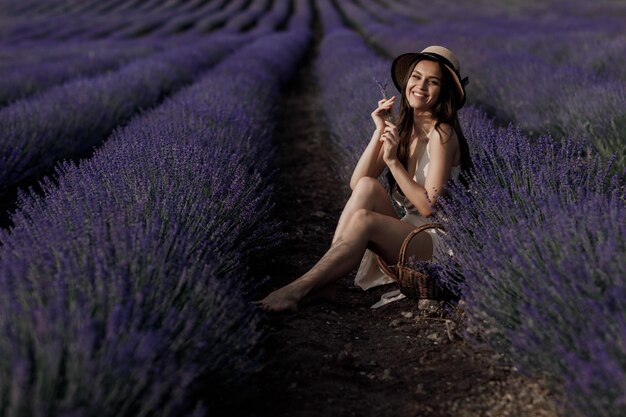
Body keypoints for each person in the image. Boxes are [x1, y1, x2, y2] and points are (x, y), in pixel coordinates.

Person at [256, 45, 470, 312]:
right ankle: (326, 282)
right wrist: (379, 131)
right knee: (369, 187)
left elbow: (427, 207)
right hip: (407, 230)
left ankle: (297, 290)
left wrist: (392, 161)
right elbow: (358, 182)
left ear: (445, 91)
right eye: (416, 76)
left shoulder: (442, 134)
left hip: (435, 241)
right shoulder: (404, 130)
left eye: (433, 81)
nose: (421, 85)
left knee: (364, 220)